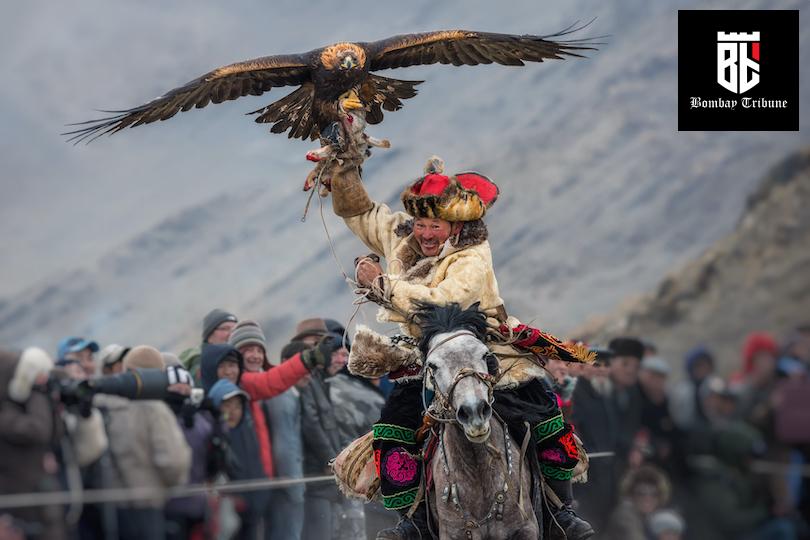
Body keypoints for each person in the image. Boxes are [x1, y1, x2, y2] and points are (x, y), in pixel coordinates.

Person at [326, 154, 593, 539]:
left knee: (543, 409)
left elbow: (442, 303)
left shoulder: (473, 256)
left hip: (486, 348)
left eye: (435, 226)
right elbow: (365, 213)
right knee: (393, 427)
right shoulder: (405, 237)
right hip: (425, 356)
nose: (426, 234)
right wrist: (342, 170)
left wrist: (382, 285)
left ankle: (558, 511)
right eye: (420, 224)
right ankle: (413, 521)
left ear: (454, 226)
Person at [95, 346, 192, 540]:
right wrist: (171, 485)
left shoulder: (102, 404)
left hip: (109, 507)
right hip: (147, 504)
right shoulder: (154, 408)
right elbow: (174, 461)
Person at [0, 348, 65, 540]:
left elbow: (55, 432)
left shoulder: (22, 404)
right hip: (17, 499)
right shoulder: (7, 411)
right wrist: (37, 392)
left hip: (41, 492)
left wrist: (46, 396)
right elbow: (37, 430)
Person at [300, 333, 348, 540]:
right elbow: (311, 425)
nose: (343, 361)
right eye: (337, 354)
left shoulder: (325, 382)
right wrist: (330, 459)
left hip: (328, 476)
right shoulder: (310, 382)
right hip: (316, 475)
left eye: (345, 355)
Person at [208, 378, 269, 540]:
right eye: (227, 405)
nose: (233, 411)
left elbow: (257, 468)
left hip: (253, 511)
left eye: (238, 406)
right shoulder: (213, 438)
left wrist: (260, 500)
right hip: (226, 515)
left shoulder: (247, 432)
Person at [265, 341, 312, 540]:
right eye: (302, 366)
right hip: (287, 486)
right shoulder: (283, 397)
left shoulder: (291, 394)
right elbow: (285, 444)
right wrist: (295, 486)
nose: (308, 373)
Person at [603, 465, 673, 540]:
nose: (647, 498)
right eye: (641, 493)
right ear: (631, 495)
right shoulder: (624, 516)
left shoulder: (648, 518)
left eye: (653, 494)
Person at [180, 308, 238, 383]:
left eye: (234, 329)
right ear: (209, 335)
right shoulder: (201, 360)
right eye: (225, 329)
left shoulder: (231, 356)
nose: (231, 334)